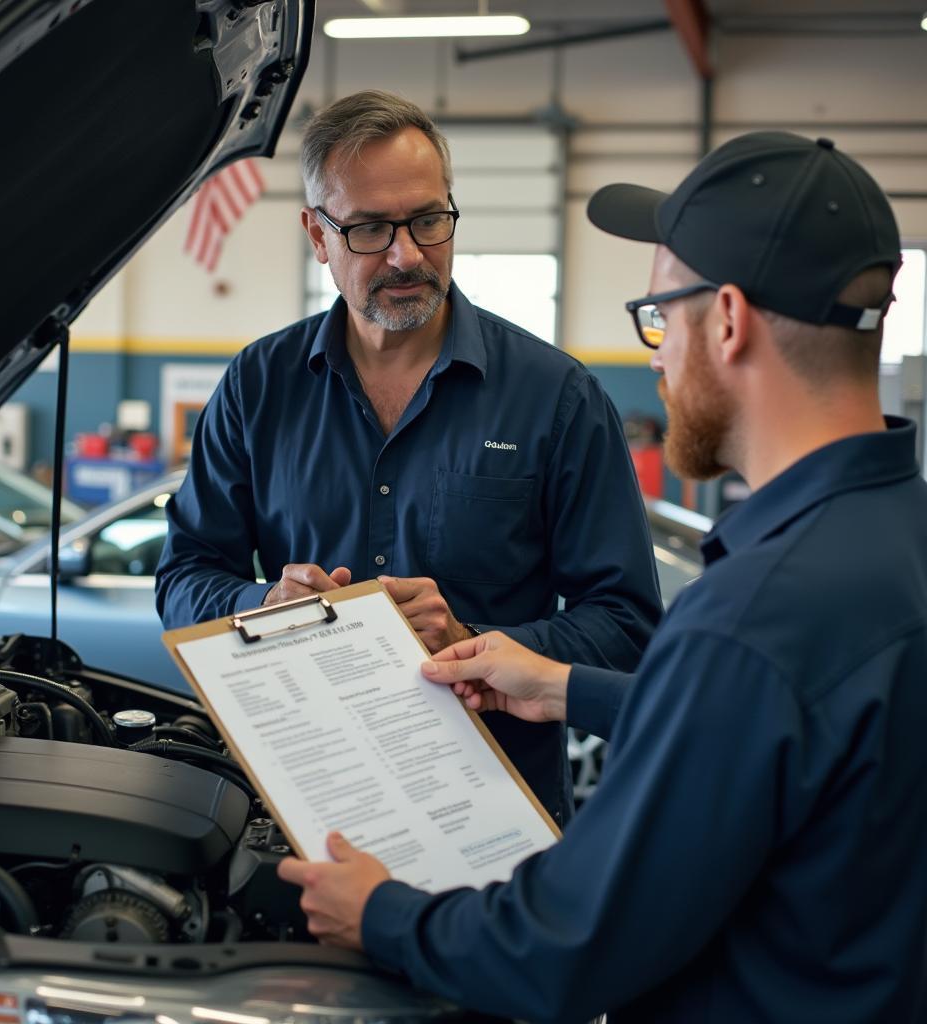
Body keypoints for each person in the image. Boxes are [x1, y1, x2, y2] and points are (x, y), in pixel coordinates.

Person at [276, 131, 927, 1023]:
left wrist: (380, 914)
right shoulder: (894, 543)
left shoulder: (755, 619)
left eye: (660, 316)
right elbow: (786, 732)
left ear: (728, 321)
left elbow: (569, 948)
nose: (655, 357)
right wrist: (567, 687)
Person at [155, 90, 663, 825]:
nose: (407, 254)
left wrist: (474, 641)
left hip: (497, 810)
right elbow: (183, 579)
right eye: (368, 229)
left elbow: (626, 623)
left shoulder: (557, 398)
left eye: (428, 219)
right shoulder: (258, 386)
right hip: (304, 805)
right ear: (316, 233)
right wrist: (263, 605)